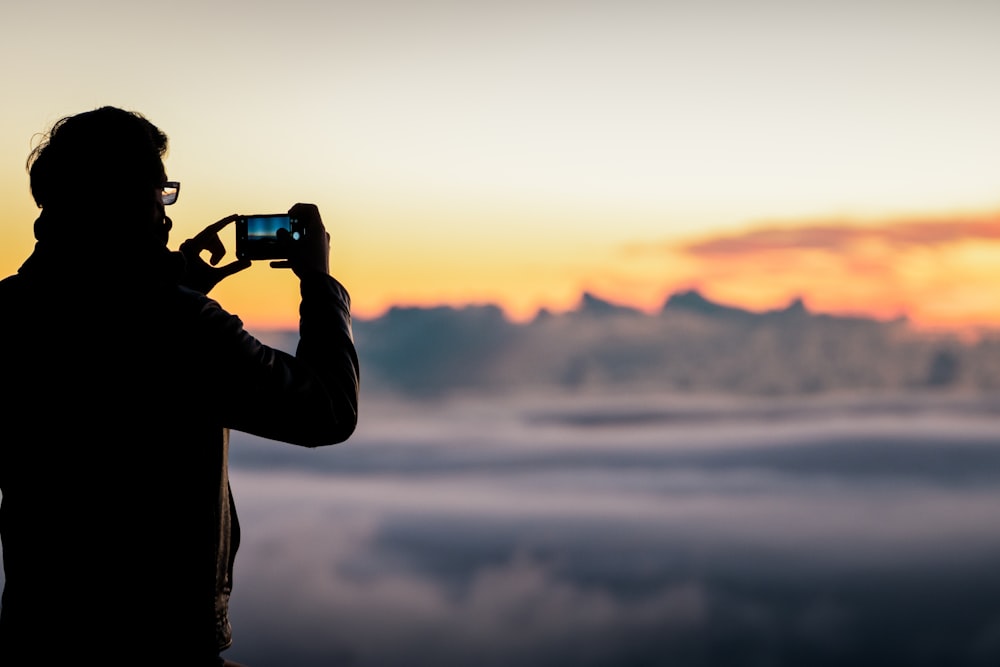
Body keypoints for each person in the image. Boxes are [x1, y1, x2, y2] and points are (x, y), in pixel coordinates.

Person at [0, 107, 360, 665]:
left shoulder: (9, 314)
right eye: (161, 193)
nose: (168, 218)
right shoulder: (181, 328)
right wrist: (319, 280)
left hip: (39, 633)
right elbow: (326, 411)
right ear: (129, 198)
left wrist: (175, 282)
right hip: (164, 642)